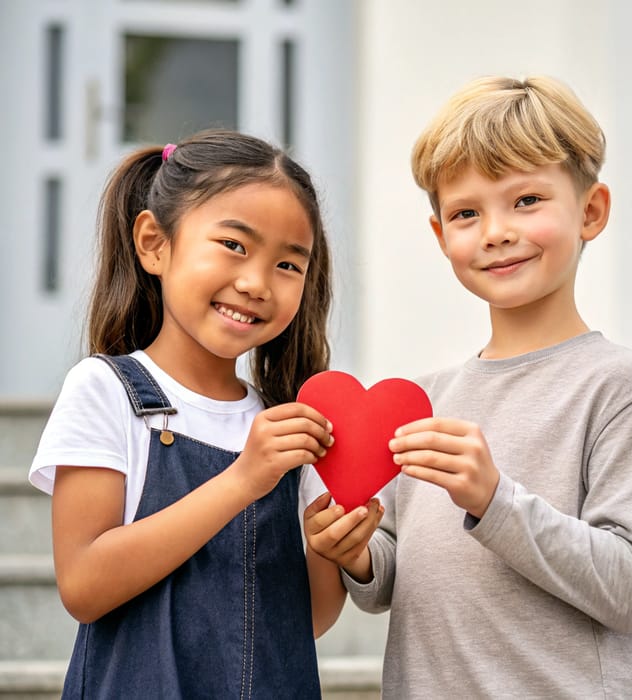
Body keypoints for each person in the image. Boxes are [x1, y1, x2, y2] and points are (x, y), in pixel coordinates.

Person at [304, 76, 632, 698]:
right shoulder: (423, 399)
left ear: (591, 211)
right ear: (441, 235)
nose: (496, 231)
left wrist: (495, 500)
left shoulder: (618, 386)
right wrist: (357, 554)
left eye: (526, 200)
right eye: (466, 213)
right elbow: (392, 581)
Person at [29, 128, 381, 699]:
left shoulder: (289, 426)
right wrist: (243, 480)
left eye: (289, 265)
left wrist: (327, 549)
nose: (255, 283)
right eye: (235, 246)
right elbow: (85, 584)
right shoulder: (105, 390)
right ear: (154, 244)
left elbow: (304, 622)